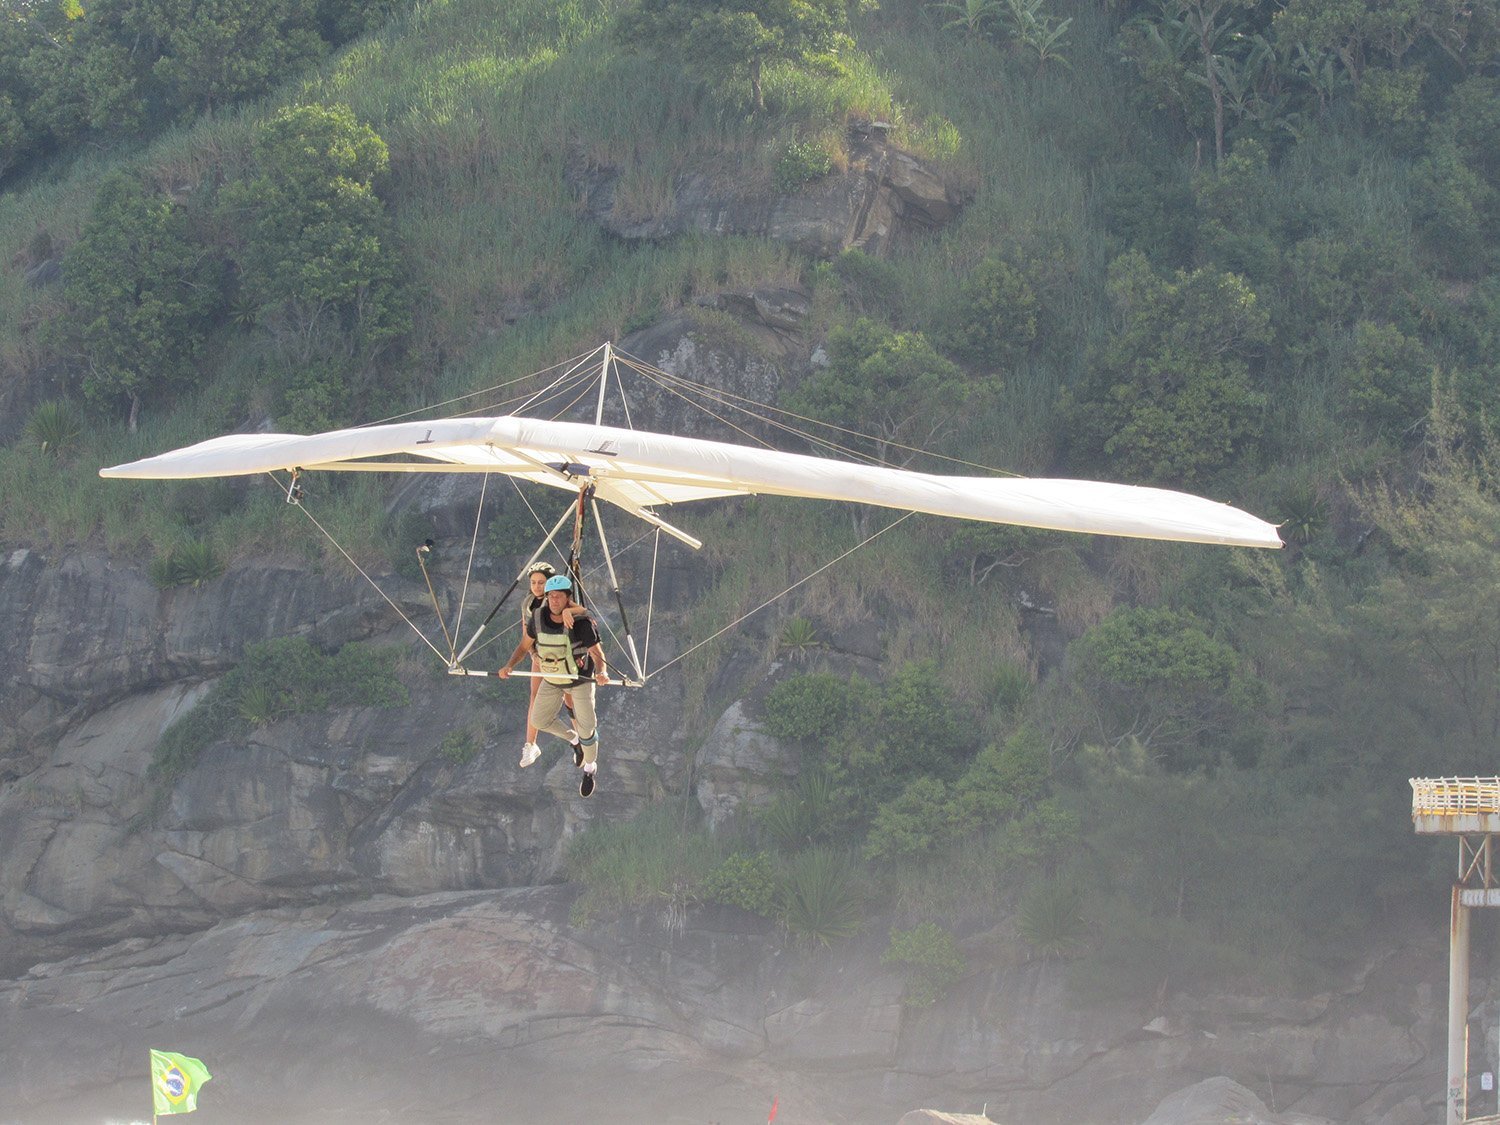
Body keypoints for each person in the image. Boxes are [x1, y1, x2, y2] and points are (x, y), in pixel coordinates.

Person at [499, 574, 609, 797]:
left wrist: (602, 672)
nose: (554, 601)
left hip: (580, 681)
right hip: (553, 680)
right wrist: (509, 665)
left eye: (558, 597)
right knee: (539, 719)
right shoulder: (538, 618)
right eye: (550, 596)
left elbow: (597, 654)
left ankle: (589, 769)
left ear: (569, 598)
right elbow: (523, 646)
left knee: (587, 727)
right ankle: (573, 739)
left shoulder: (581, 623)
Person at [515, 562, 586, 768]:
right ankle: (531, 744)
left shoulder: (558, 599)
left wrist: (568, 612)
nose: (537, 587)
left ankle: (583, 740)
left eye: (541, 583)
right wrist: (533, 654)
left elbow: (583, 610)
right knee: (535, 696)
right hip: (540, 655)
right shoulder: (528, 603)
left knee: (570, 700)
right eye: (534, 582)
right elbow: (525, 633)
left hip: (562, 656)